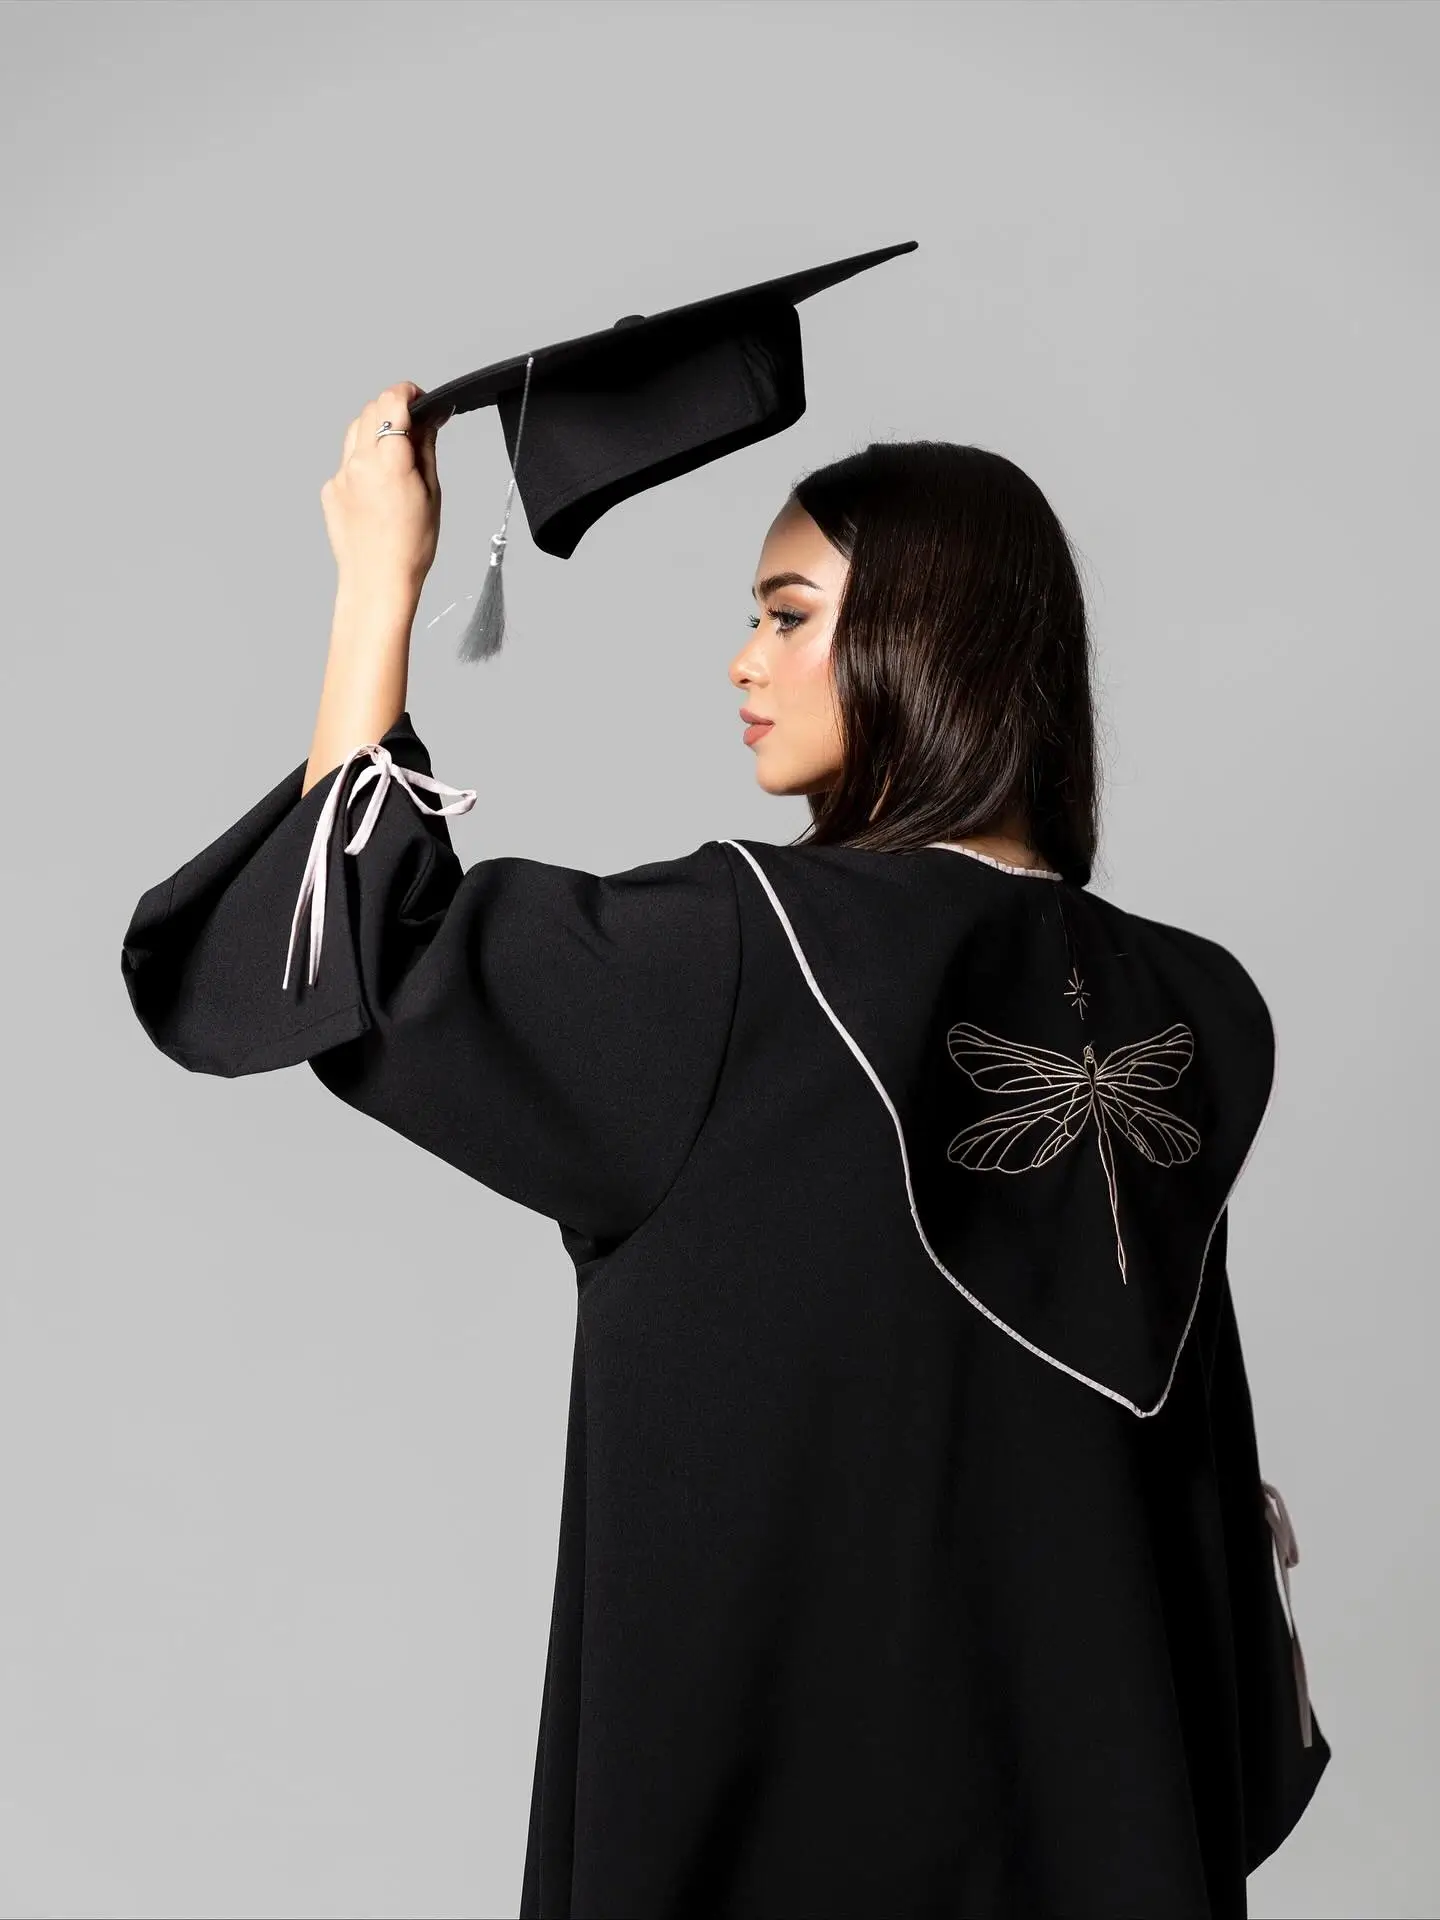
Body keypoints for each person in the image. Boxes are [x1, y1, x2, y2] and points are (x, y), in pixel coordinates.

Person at [121, 381, 1330, 1919]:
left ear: (927, 639)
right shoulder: (1201, 1007)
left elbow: (347, 955)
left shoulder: (740, 958)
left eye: (789, 615)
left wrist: (377, 588)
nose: (745, 662)